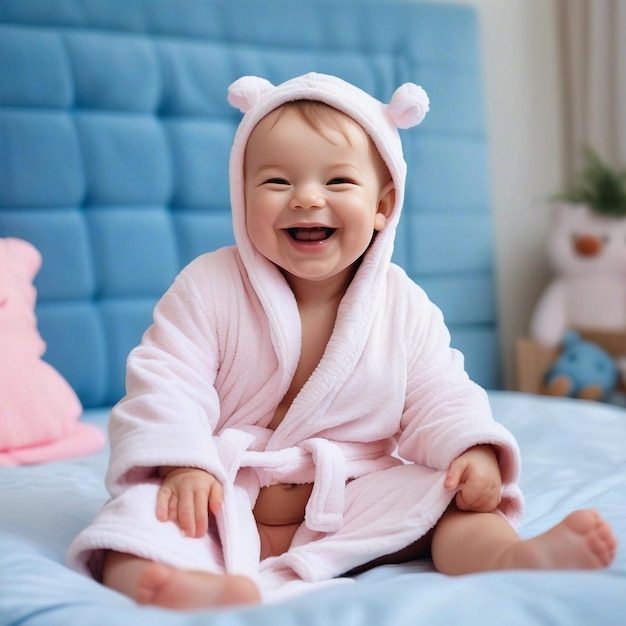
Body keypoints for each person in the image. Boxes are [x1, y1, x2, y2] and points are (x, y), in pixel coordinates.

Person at [67, 73, 617, 610]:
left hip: (352, 495)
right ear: (242, 195)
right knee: (135, 520)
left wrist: (469, 448)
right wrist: (185, 463)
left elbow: (440, 392)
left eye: (338, 182)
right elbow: (167, 381)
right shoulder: (208, 285)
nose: (307, 199)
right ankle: (173, 585)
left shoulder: (403, 304)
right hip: (228, 488)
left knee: (451, 502)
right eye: (277, 182)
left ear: (384, 206)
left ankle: (508, 557)